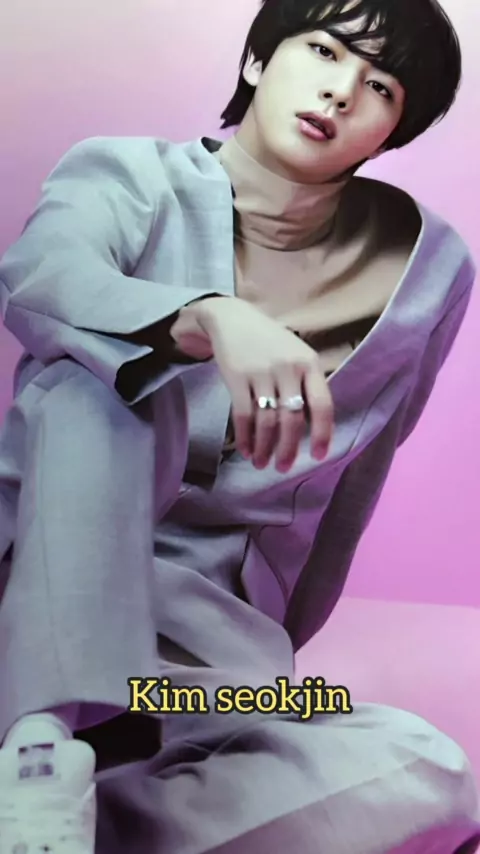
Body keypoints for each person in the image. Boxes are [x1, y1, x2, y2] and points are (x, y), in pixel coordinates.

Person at [0, 0, 478, 851]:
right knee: (101, 390)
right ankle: (37, 748)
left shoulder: (430, 268)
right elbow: (41, 275)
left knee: (430, 769)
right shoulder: (124, 174)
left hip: (201, 669)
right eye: (323, 51)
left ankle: (67, 821)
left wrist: (268, 662)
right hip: (28, 604)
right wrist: (204, 316)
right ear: (258, 60)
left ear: (391, 133)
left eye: (380, 86)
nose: (340, 92)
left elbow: (350, 496)